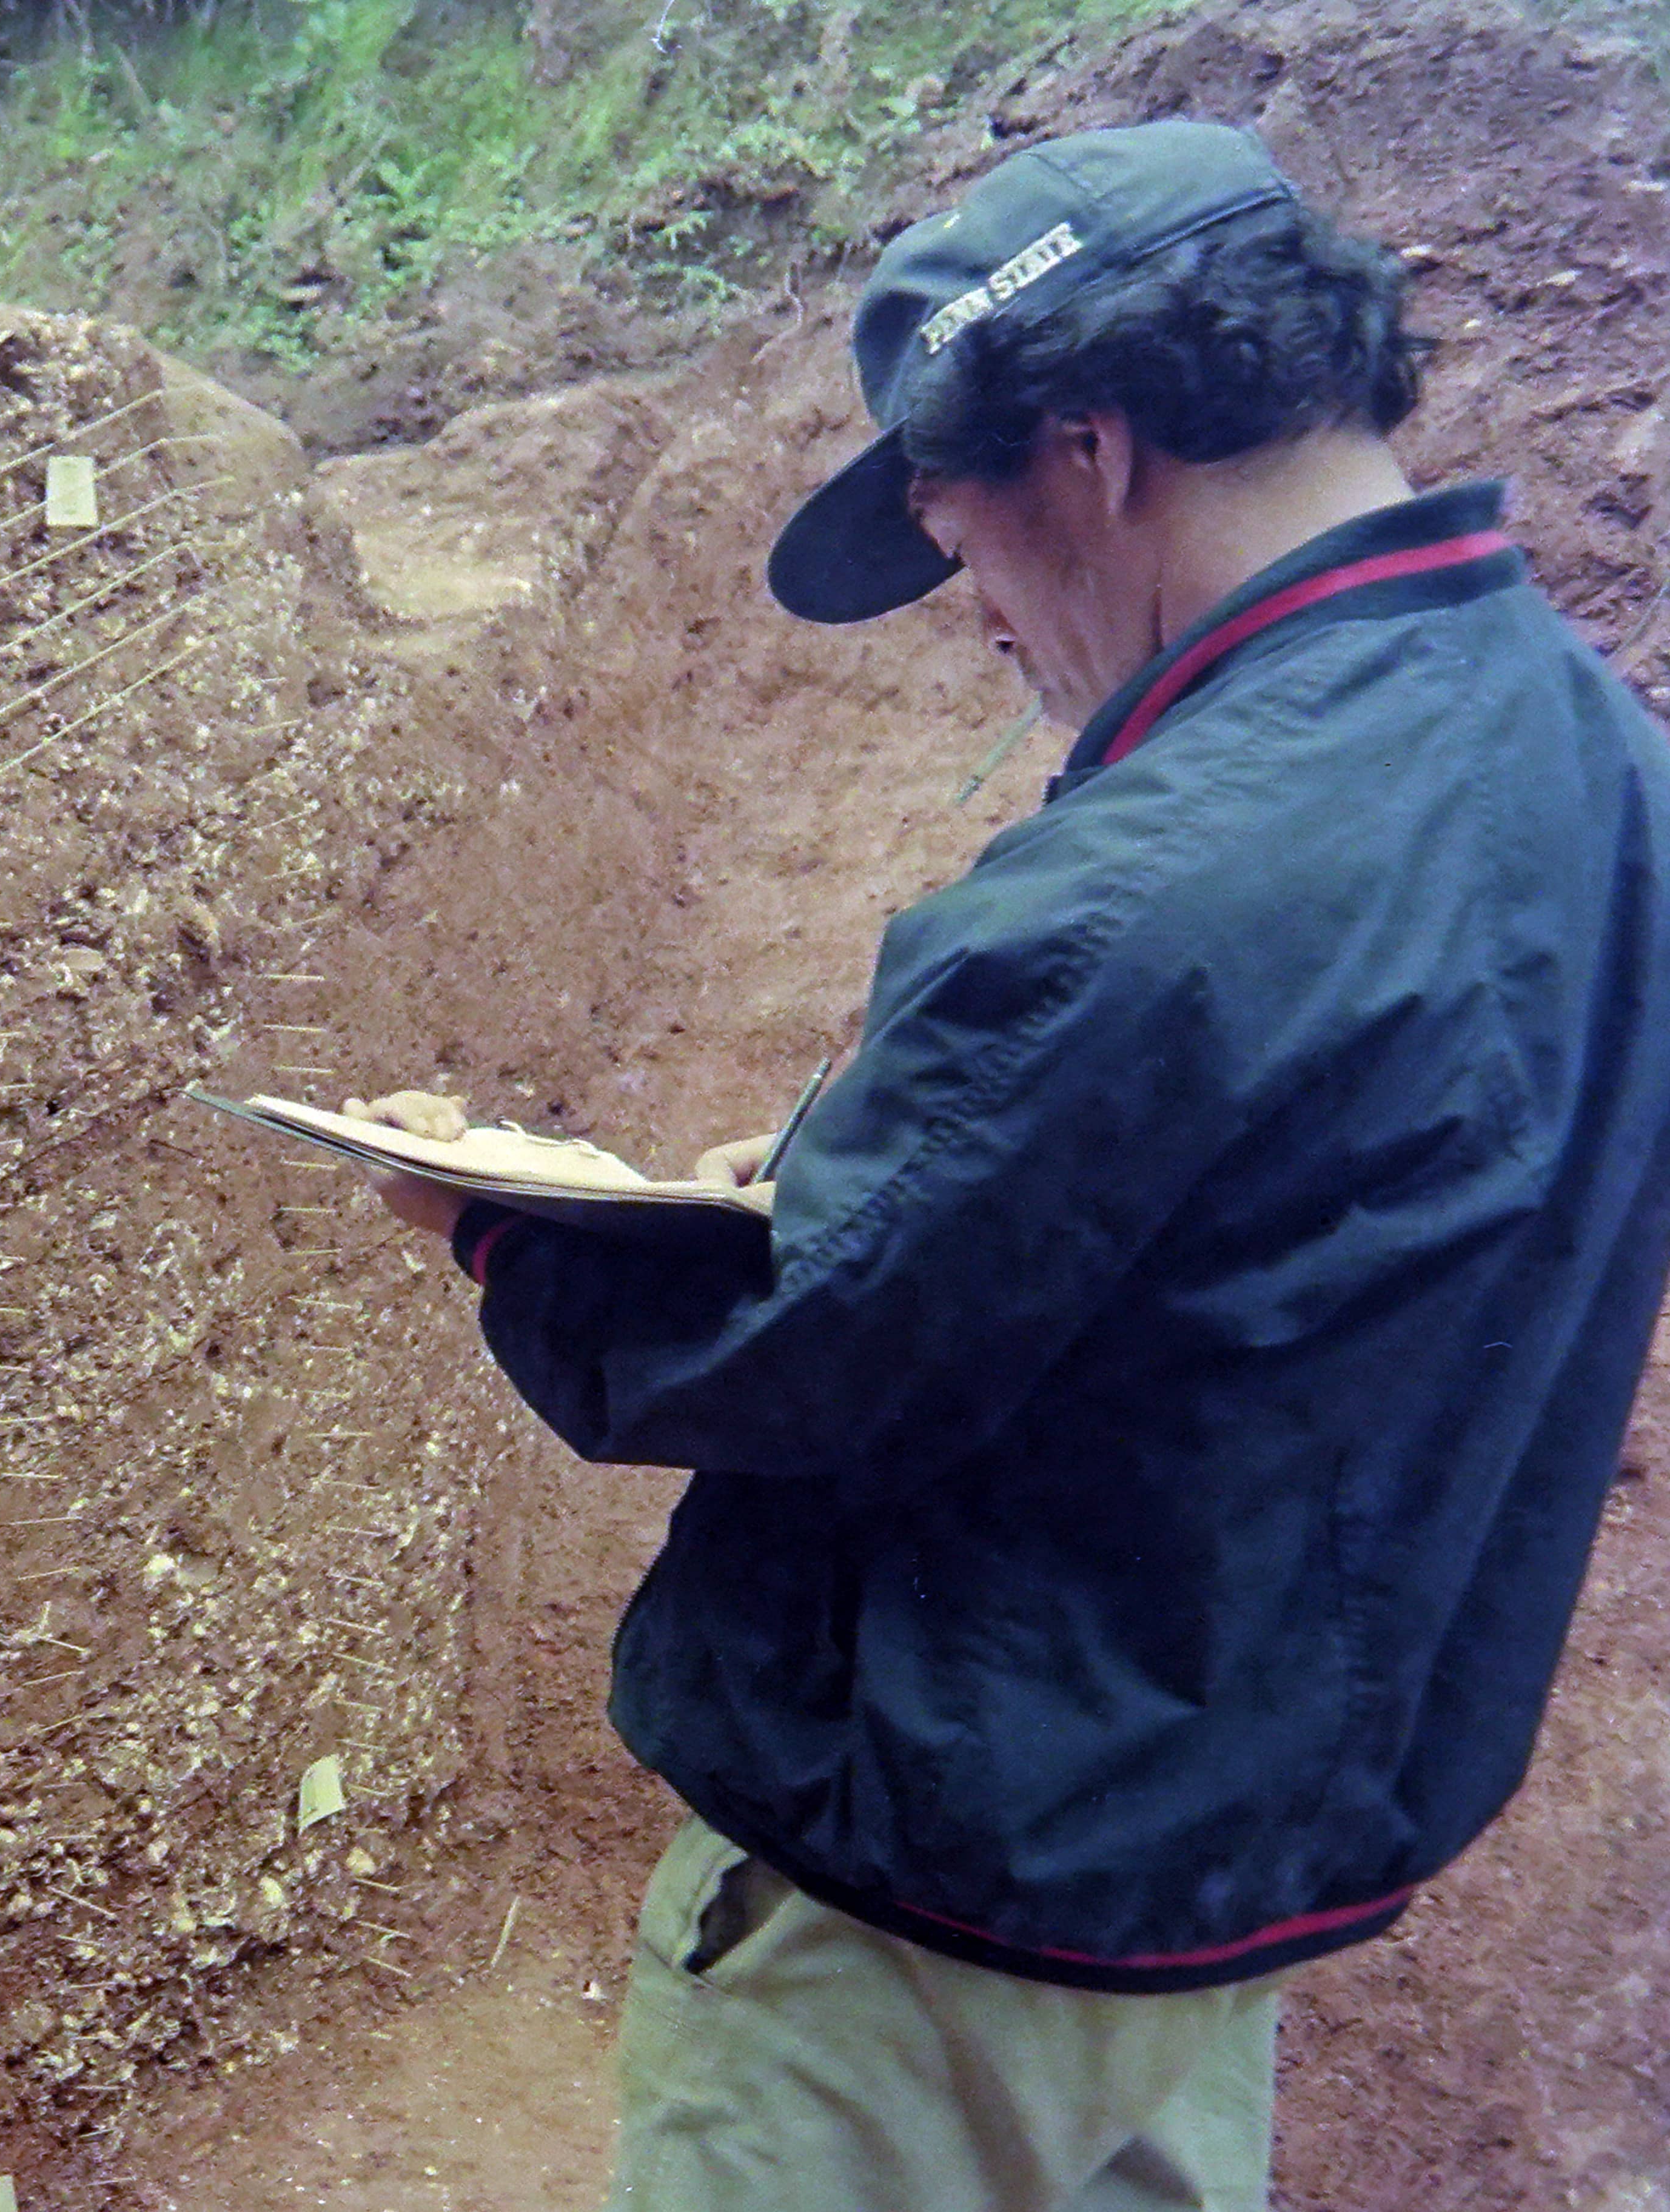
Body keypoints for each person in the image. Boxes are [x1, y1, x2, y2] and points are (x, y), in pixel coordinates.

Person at [352, 120, 1670, 2209]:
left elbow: (794, 1348)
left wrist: (504, 1221)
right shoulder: (1592, 758)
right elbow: (1254, 1231)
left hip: (941, 1912)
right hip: (1213, 1873)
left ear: (1090, 452)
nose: (975, 616)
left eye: (956, 544)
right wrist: (862, 1173)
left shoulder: (1152, 875)